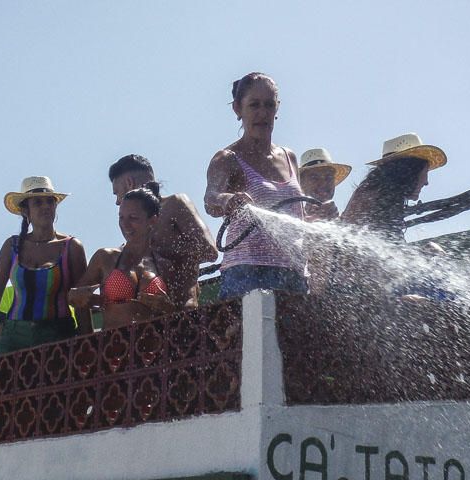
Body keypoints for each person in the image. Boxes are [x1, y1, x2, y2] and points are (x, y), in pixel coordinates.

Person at [204, 72, 309, 299]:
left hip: (293, 272)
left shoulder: (289, 156)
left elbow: (296, 214)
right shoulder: (228, 158)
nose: (263, 113)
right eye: (254, 105)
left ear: (277, 108)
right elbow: (210, 199)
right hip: (248, 272)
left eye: (269, 105)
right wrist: (228, 200)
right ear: (237, 109)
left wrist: (317, 215)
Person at [0, 177, 91, 367]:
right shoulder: (12, 247)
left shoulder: (71, 247)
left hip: (58, 337)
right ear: (25, 211)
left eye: (49, 201)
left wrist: (88, 346)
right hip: (13, 340)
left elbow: (81, 305)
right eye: (37, 202)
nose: (45, 206)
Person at [331, 133, 447, 297]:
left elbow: (390, 250)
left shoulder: (387, 196)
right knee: (433, 257)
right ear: (409, 171)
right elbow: (353, 250)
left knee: (432, 252)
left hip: (379, 279)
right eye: (425, 173)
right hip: (358, 288)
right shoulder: (372, 196)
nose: (426, 182)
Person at [109, 155, 217, 309]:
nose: (117, 201)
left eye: (116, 193)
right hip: (146, 320)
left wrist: (157, 253)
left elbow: (209, 251)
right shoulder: (132, 225)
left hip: (182, 313)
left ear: (129, 183)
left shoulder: (174, 204)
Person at [69, 184, 172, 329]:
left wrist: (167, 307)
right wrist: (81, 297)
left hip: (154, 348)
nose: (125, 225)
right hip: (113, 348)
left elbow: (179, 314)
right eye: (121, 217)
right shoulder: (105, 257)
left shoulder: (164, 264)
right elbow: (73, 297)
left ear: (153, 221)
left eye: (133, 218)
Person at [296, 148, 351, 221]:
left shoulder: (347, 223)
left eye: (329, 177)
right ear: (302, 184)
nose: (323, 183)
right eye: (314, 178)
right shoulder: (292, 219)